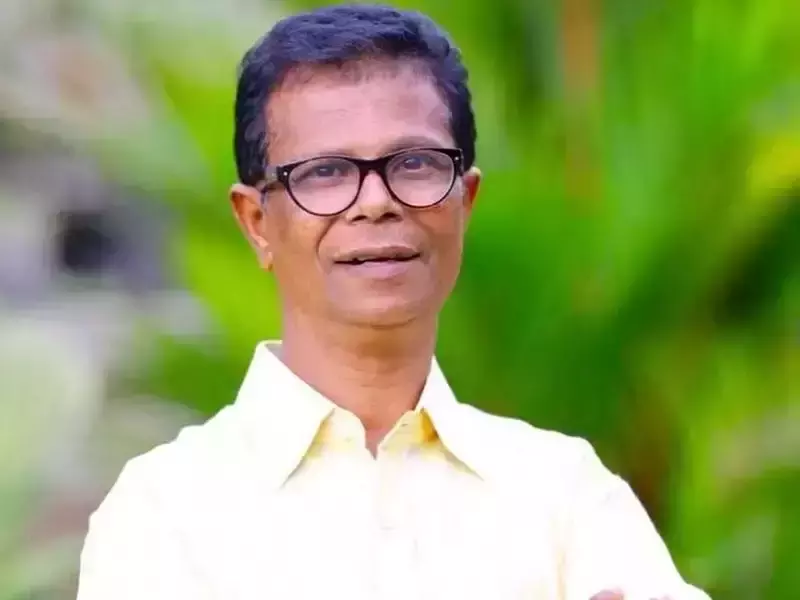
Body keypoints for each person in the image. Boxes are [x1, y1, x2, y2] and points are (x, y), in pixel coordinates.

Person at [77, 4, 710, 599]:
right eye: (325, 172)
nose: (376, 202)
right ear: (256, 223)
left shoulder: (565, 493)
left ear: (465, 202)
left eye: (414, 163)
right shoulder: (164, 511)